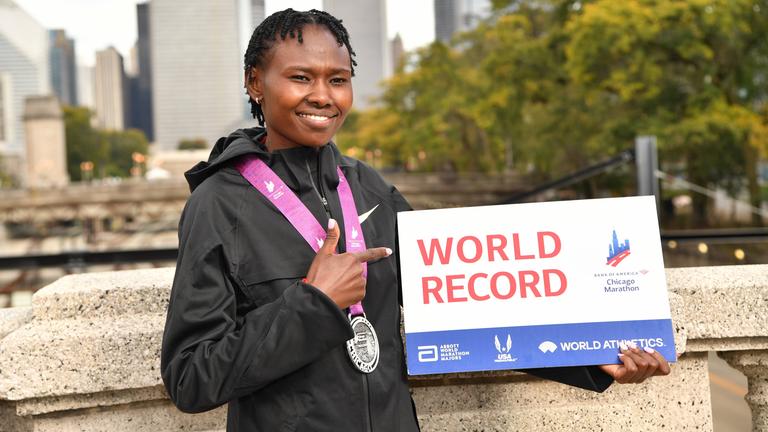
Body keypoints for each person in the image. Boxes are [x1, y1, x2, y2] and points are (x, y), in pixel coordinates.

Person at [161, 8, 671, 431]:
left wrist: (593, 356)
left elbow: (461, 305)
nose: (322, 95)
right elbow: (190, 377)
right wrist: (311, 304)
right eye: (300, 78)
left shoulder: (370, 189)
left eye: (337, 80)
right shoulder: (217, 204)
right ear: (256, 82)